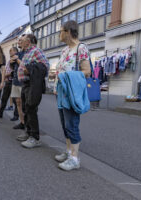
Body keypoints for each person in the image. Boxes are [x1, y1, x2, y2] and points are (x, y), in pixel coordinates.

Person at [55, 20, 91, 171]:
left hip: (71, 92)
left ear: (68, 32)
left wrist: (68, 76)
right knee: (65, 124)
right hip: (61, 92)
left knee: (72, 124)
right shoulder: (64, 50)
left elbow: (87, 71)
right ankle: (69, 151)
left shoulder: (81, 48)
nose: (59, 34)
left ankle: (75, 158)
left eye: (61, 31)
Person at [17, 34, 49, 148]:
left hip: (32, 84)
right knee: (26, 109)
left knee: (31, 109)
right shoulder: (27, 52)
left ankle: (35, 137)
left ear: (28, 42)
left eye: (23, 40)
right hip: (26, 84)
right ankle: (28, 132)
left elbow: (45, 66)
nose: (20, 42)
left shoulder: (36, 50)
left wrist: (29, 70)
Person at [0, 47, 19, 120]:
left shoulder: (16, 60)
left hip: (13, 82)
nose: (10, 52)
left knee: (15, 100)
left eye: (11, 51)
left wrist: (5, 75)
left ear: (15, 51)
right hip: (8, 82)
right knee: (4, 98)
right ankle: (0, 113)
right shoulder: (9, 60)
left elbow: (13, 72)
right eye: (9, 51)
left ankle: (16, 116)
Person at [10, 37, 26, 130]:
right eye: (18, 41)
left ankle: (27, 123)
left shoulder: (28, 53)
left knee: (24, 104)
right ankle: (22, 122)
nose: (18, 42)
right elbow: (13, 68)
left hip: (24, 82)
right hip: (15, 81)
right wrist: (12, 62)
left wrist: (17, 59)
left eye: (20, 41)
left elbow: (25, 66)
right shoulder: (18, 53)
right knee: (18, 103)